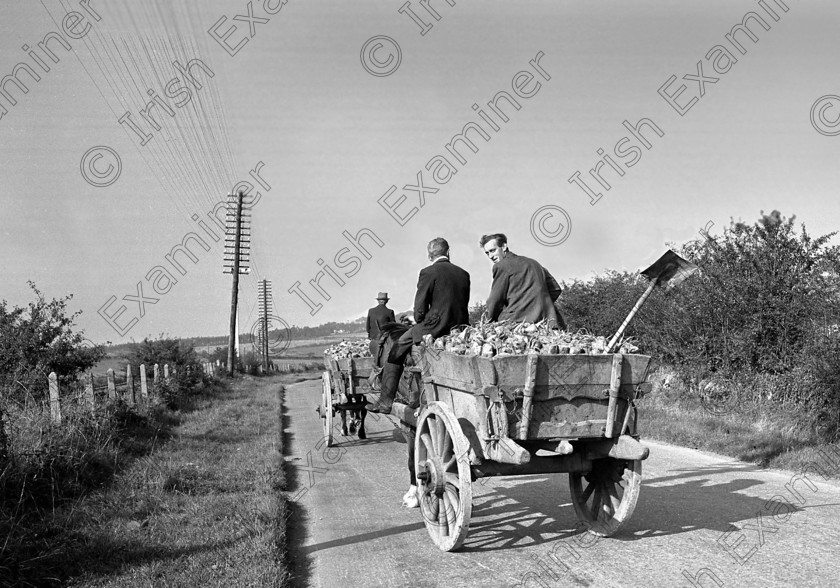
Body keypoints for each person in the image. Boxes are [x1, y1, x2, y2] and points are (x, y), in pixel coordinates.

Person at [367, 237, 470, 414]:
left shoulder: (428, 272)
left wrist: (419, 319)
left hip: (434, 328)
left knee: (397, 348)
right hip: (461, 329)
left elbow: (420, 310)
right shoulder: (463, 273)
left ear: (430, 255)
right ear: (448, 251)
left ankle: (385, 401)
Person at [479, 233, 566, 328]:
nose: (490, 256)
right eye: (487, 253)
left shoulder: (501, 266)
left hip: (517, 322)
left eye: (493, 250)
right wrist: (538, 306)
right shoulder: (534, 263)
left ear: (504, 246)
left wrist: (488, 322)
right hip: (548, 323)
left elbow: (495, 300)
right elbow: (555, 290)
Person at [366, 292, 395, 356]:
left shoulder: (371, 311)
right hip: (386, 340)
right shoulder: (390, 312)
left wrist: (370, 335)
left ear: (378, 301)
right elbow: (393, 327)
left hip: (374, 339)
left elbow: (368, 327)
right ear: (387, 301)